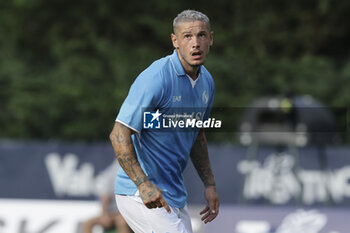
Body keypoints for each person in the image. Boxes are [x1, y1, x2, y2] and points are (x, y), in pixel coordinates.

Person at [109, 9, 219, 233]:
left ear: (211, 39)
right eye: (187, 36)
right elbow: (119, 133)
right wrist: (143, 184)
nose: (195, 43)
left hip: (173, 195)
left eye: (201, 35)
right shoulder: (156, 78)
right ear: (175, 40)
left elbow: (197, 133)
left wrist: (209, 184)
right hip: (138, 193)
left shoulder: (207, 82)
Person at [82, 162, 132, 233]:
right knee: (88, 223)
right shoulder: (115, 170)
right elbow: (105, 196)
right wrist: (104, 214)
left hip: (125, 212)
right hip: (112, 212)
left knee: (121, 222)